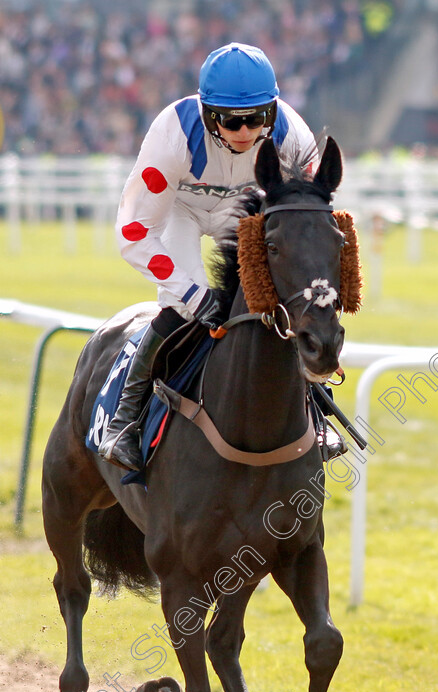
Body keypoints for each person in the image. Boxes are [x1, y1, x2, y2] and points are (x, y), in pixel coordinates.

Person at [99, 42, 341, 472]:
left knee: (285, 307)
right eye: (231, 121)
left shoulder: (293, 136)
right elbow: (135, 232)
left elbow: (307, 217)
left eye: (257, 118)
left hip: (244, 215)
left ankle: (319, 410)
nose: (245, 132)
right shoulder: (174, 135)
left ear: (274, 109)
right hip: (181, 212)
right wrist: (193, 294)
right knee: (186, 307)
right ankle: (125, 420)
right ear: (208, 114)